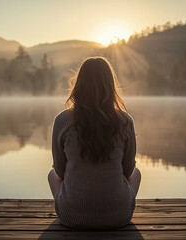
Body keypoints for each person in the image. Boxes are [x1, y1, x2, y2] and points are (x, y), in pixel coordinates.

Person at [48, 56, 141, 229]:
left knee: (51, 175)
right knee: (137, 173)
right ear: (110, 85)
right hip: (118, 217)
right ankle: (113, 205)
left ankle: (75, 206)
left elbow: (59, 171)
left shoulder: (62, 120)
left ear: (79, 85)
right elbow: (128, 171)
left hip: (72, 217)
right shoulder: (125, 121)